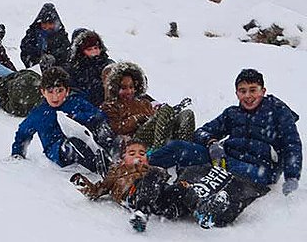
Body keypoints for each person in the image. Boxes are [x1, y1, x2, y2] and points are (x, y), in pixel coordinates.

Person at [149, 69, 302, 193]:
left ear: (263, 91)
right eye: (243, 91)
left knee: (229, 175)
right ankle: (141, 167)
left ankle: (193, 192)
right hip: (225, 159)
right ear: (237, 94)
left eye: (253, 90)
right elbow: (202, 131)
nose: (248, 96)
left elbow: (292, 145)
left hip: (258, 167)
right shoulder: (232, 113)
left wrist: (292, 176)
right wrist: (212, 143)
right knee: (179, 147)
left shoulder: (278, 112)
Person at [71, 140, 269, 231]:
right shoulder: (117, 172)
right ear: (123, 159)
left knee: (183, 188)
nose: (138, 156)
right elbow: (100, 189)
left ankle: (203, 212)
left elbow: (163, 180)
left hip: (163, 202)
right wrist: (86, 185)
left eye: (142, 153)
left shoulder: (153, 169)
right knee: (154, 177)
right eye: (132, 154)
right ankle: (141, 213)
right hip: (136, 196)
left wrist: (181, 185)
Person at [10, 67, 115, 173]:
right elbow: (23, 133)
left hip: (87, 139)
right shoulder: (39, 113)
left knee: (103, 129)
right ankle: (100, 167)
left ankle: (113, 156)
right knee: (73, 146)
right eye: (50, 92)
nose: (55, 96)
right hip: (57, 150)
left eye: (60, 91)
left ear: (67, 90)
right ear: (43, 92)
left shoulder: (75, 102)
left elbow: (99, 115)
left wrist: (77, 117)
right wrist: (18, 152)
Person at [100, 62, 195, 149]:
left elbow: (157, 118)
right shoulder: (110, 106)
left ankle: (182, 150)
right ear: (116, 88)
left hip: (157, 134)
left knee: (186, 114)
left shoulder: (144, 102)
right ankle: (158, 154)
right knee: (166, 110)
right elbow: (117, 128)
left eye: (131, 87)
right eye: (124, 88)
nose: (129, 91)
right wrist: (138, 118)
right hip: (135, 141)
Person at [66, 29, 115, 106]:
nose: (94, 52)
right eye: (89, 49)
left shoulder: (108, 65)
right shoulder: (74, 69)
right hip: (84, 108)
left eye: (96, 48)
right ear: (81, 51)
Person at [20, 3, 71, 71]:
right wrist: (36, 60)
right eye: (44, 23)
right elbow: (25, 50)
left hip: (56, 72)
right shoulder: (32, 33)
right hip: (35, 70)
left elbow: (66, 54)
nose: (47, 27)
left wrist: (54, 58)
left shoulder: (61, 35)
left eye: (50, 23)